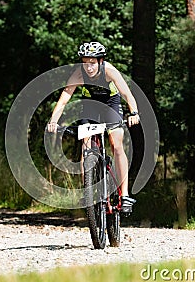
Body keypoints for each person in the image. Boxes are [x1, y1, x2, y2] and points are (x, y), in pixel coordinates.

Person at [47, 41, 140, 213]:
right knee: (86, 145)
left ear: (100, 61)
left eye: (92, 62)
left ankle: (125, 194)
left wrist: (134, 112)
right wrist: (53, 120)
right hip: (90, 106)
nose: (88, 67)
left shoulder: (110, 71)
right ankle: (88, 191)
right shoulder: (78, 74)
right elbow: (65, 97)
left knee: (116, 143)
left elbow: (127, 93)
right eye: (85, 62)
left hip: (111, 103)